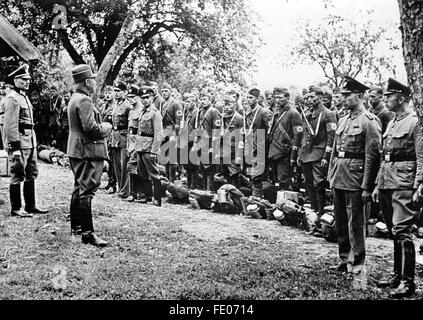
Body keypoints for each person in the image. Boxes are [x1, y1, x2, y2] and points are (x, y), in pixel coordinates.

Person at [372, 78, 423, 298]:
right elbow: (385, 156)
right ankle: (396, 275)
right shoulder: (393, 121)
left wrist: (420, 183)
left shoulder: (415, 122)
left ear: (401, 98)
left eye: (389, 96)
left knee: (402, 230)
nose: (385, 100)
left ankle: (407, 282)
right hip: (387, 180)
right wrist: (376, 184)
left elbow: (421, 156)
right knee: (394, 230)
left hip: (404, 181)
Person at [328, 76, 381, 276]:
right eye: (343, 95)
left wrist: (368, 186)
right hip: (340, 175)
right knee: (340, 220)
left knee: (355, 222)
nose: (344, 98)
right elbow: (334, 151)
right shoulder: (342, 120)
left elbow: (372, 156)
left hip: (355, 178)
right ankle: (344, 259)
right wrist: (330, 176)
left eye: (348, 95)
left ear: (360, 96)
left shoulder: (369, 122)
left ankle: (357, 261)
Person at [67, 64, 112, 247]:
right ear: (87, 81)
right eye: (93, 79)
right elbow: (91, 128)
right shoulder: (84, 101)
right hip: (87, 151)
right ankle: (88, 233)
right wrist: (107, 127)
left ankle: (76, 227)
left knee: (79, 187)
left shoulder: (75, 98)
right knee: (87, 191)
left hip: (77, 150)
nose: (95, 82)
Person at [3, 64, 49, 218]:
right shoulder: (12, 99)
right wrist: (14, 147)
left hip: (30, 141)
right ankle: (16, 208)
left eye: (28, 79)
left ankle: (31, 205)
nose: (27, 82)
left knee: (31, 172)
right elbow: (10, 126)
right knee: (17, 173)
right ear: (16, 80)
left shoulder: (24, 97)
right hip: (20, 142)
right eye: (24, 79)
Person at [298, 86, 336, 220]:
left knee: (319, 183)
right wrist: (300, 154)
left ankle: (321, 211)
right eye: (307, 97)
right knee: (308, 183)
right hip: (307, 154)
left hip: (319, 154)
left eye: (312, 97)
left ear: (320, 98)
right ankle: (313, 210)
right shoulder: (307, 114)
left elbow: (332, 137)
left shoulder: (328, 114)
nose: (309, 100)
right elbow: (304, 136)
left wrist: (326, 156)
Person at [267, 87, 302, 190]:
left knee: (284, 181)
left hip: (285, 153)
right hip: (275, 152)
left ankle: (286, 204)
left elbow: (297, 136)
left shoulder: (293, 113)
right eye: (276, 97)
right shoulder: (276, 113)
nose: (277, 100)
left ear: (287, 98)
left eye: (280, 97)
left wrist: (293, 155)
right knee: (275, 181)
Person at [135, 86, 164, 206]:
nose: (145, 100)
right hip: (140, 146)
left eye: (147, 97)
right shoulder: (142, 111)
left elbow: (159, 134)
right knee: (142, 173)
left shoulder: (155, 113)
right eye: (143, 98)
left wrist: (154, 151)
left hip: (149, 148)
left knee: (154, 174)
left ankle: (157, 199)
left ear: (152, 97)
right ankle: (146, 196)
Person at [244, 88, 272, 198]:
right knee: (251, 173)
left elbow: (269, 131)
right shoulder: (247, 111)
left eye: (251, 98)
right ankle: (255, 195)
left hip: (260, 146)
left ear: (257, 99)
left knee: (258, 175)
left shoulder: (264, 112)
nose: (248, 100)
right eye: (247, 97)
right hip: (250, 146)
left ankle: (259, 197)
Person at [192, 88, 221, 192]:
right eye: (201, 99)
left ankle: (210, 191)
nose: (202, 101)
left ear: (210, 100)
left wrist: (213, 147)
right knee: (202, 167)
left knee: (209, 169)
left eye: (205, 99)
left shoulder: (214, 111)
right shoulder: (200, 112)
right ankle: (204, 190)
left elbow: (217, 131)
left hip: (209, 143)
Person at [110, 81, 132, 198]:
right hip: (115, 136)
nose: (117, 93)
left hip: (124, 137)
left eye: (119, 91)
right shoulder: (116, 104)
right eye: (116, 91)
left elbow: (131, 124)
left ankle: (125, 190)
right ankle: (120, 189)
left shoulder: (128, 106)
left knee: (124, 165)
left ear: (125, 92)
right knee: (117, 165)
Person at [123, 84, 144, 202]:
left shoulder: (142, 110)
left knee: (135, 167)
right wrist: (128, 145)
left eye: (134, 97)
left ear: (138, 97)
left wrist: (136, 145)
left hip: (138, 141)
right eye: (129, 97)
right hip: (131, 141)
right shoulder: (131, 111)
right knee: (131, 167)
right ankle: (134, 192)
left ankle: (137, 193)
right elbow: (129, 130)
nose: (131, 99)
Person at [218, 94, 244, 187]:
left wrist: (240, 155)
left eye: (230, 105)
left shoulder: (239, 118)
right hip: (222, 150)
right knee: (224, 174)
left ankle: (236, 196)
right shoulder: (221, 117)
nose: (227, 107)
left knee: (234, 175)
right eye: (225, 105)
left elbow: (242, 138)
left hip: (234, 151)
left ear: (235, 105)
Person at [159, 82, 182, 182]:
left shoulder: (176, 104)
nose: (164, 93)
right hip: (163, 133)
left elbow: (178, 122)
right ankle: (167, 180)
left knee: (172, 160)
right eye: (162, 91)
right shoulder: (162, 103)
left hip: (171, 133)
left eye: (166, 91)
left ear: (170, 92)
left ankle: (172, 181)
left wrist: (175, 135)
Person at [179, 92, 200, 189]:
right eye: (185, 101)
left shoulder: (197, 114)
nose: (186, 103)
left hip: (193, 141)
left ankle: (193, 185)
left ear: (194, 102)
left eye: (189, 102)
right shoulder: (187, 113)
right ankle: (188, 184)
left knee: (194, 165)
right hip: (186, 141)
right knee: (187, 164)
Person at [99, 85, 117, 194]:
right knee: (108, 159)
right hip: (104, 136)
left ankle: (113, 184)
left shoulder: (115, 106)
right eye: (106, 93)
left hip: (112, 135)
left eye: (110, 93)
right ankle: (109, 182)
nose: (108, 95)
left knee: (112, 160)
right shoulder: (103, 106)